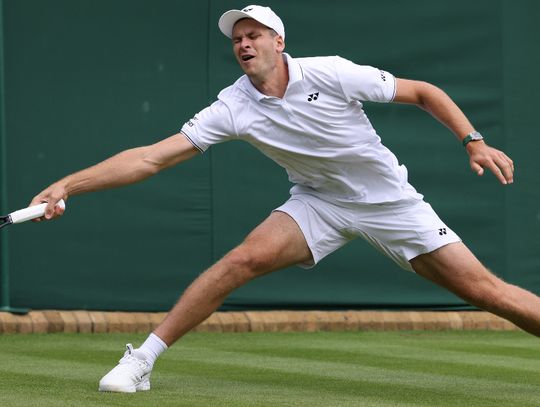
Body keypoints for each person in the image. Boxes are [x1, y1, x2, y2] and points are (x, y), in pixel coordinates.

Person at [31, 5, 532, 394]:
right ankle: (142, 360)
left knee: (486, 293)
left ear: (279, 41)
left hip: (389, 203)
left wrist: (474, 140)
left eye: (253, 35)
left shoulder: (330, 72)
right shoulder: (232, 105)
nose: (244, 44)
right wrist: (69, 185)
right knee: (241, 260)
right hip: (318, 201)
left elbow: (423, 91)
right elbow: (151, 158)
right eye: (237, 39)